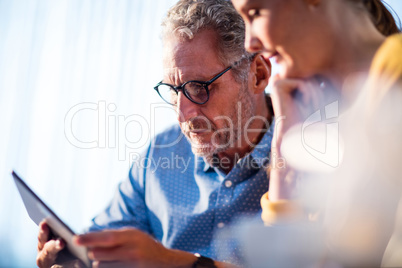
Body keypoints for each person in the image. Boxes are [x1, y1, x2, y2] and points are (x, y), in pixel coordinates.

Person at [36, 0, 274, 267]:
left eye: (199, 88)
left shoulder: (308, 160)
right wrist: (72, 259)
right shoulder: (159, 155)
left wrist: (174, 262)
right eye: (174, 90)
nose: (183, 113)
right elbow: (99, 246)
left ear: (258, 74)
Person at [232, 0, 402, 266]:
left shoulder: (394, 81)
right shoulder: (345, 115)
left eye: (255, 13)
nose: (249, 43)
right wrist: (283, 155)